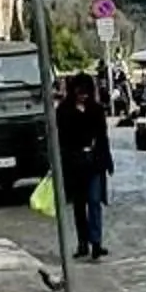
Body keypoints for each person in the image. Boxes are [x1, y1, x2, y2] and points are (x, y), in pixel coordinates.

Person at [56, 71, 116, 260]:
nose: (83, 96)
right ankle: (83, 242)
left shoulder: (96, 110)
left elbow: (103, 137)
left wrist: (107, 161)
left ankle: (96, 243)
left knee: (95, 201)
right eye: (80, 92)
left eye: (86, 92)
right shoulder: (63, 111)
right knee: (79, 205)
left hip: (94, 162)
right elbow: (60, 139)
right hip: (73, 165)